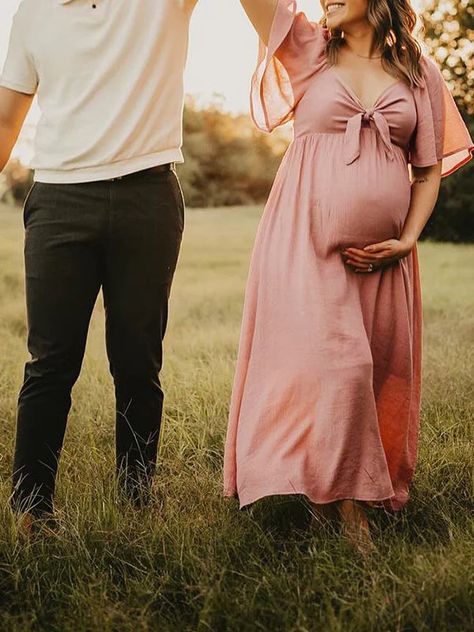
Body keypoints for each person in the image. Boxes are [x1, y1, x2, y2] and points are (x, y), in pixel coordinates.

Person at [224, 0, 473, 552]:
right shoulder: (308, 47)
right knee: (342, 366)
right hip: (303, 243)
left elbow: (428, 171)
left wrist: (407, 239)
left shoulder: (419, 72)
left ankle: (324, 493)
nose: (325, 0)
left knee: (376, 372)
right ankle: (351, 514)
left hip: (385, 259)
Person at [0, 0, 199, 534]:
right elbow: (5, 119)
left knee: (138, 360)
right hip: (59, 201)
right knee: (50, 362)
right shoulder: (32, 13)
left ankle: (136, 500)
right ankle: (32, 510)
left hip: (148, 195)